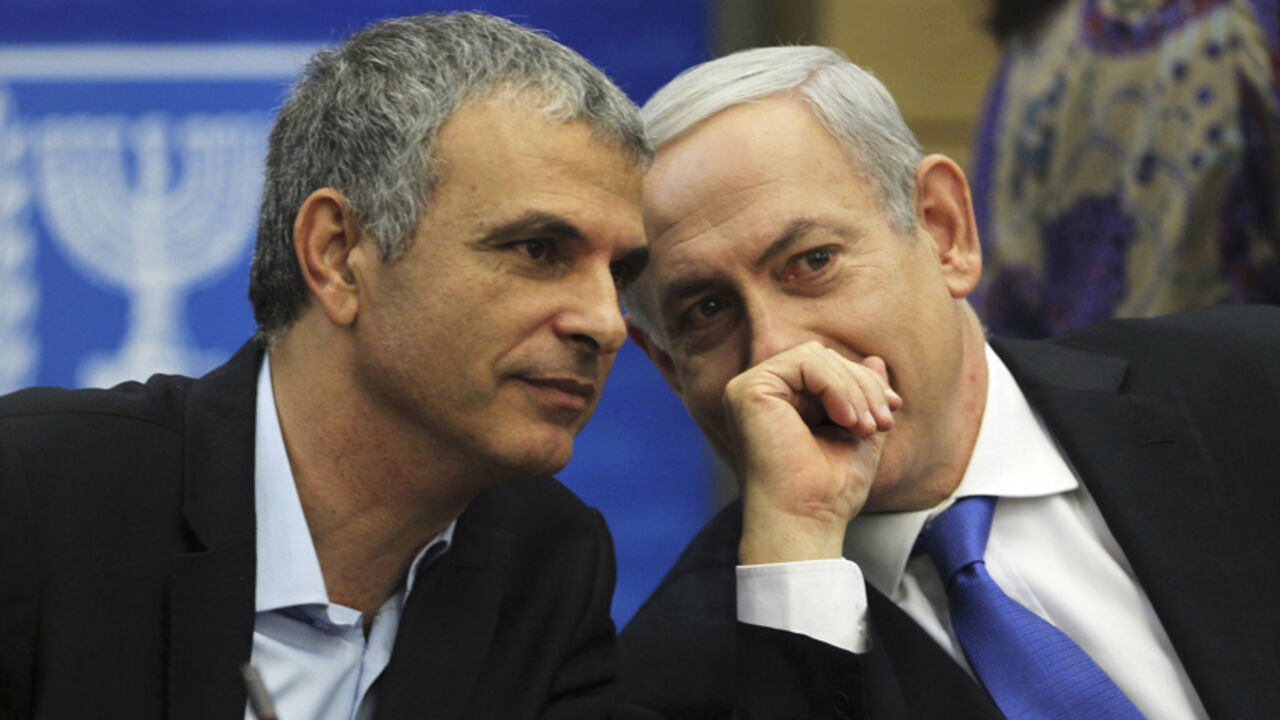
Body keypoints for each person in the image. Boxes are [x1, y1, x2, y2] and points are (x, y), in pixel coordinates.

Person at [0, 12, 659, 719]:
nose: (603, 321)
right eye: (538, 250)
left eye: (619, 271)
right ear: (338, 255)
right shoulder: (32, 499)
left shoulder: (546, 563)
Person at [617, 45, 1280, 718]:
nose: (776, 347)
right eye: (706, 311)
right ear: (670, 368)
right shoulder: (666, 685)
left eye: (812, 261)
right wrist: (801, 551)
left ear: (944, 230)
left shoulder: (1252, 388)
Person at [972, 0, 1280, 338]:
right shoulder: (1250, 29)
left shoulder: (1038, 41)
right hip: (1225, 378)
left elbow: (993, 294)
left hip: (1055, 379)